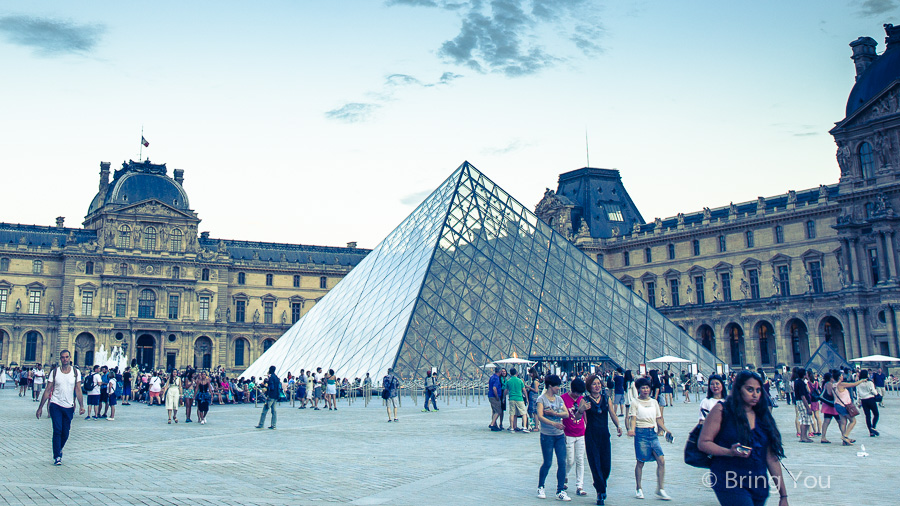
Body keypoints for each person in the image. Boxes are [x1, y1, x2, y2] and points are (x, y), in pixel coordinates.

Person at [698, 370, 789, 506]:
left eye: (758, 390)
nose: (755, 394)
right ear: (739, 389)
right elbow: (703, 443)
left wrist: (783, 495)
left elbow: (772, 458)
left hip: (758, 482)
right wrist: (729, 452)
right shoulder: (721, 410)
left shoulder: (763, 416)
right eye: (750, 389)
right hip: (728, 478)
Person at [36, 350, 85, 466]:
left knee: (65, 432)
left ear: (70, 358)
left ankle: (59, 448)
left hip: (69, 406)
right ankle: (57, 456)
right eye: (63, 357)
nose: (65, 359)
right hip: (55, 404)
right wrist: (40, 407)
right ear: (60, 359)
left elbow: (78, 389)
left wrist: (82, 405)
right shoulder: (54, 372)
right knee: (57, 430)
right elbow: (48, 390)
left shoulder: (76, 372)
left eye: (67, 357)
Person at [626, 377, 671, 501]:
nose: (645, 390)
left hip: (653, 433)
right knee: (640, 462)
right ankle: (638, 488)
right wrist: (632, 429)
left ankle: (660, 489)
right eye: (643, 388)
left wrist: (666, 429)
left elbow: (658, 419)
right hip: (641, 433)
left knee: (661, 460)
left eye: (647, 387)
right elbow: (633, 418)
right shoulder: (635, 402)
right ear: (639, 389)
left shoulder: (654, 402)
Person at [582, 374, 621, 505]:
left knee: (606, 466)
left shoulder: (606, 398)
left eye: (599, 383)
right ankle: (600, 492)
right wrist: (581, 409)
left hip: (604, 435)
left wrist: (618, 426)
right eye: (594, 384)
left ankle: (600, 485)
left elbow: (612, 414)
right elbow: (577, 416)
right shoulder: (585, 400)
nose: (597, 386)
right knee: (595, 465)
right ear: (589, 386)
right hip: (591, 435)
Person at [536, 374, 571, 501]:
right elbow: (540, 416)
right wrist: (554, 423)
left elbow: (566, 414)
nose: (558, 388)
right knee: (548, 462)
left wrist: (554, 414)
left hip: (559, 436)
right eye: (557, 386)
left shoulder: (559, 399)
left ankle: (560, 490)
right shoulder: (541, 399)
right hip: (547, 435)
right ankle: (541, 486)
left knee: (562, 462)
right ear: (550, 386)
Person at [561, 377, 588, 497]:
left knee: (580, 459)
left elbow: (585, 416)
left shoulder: (582, 399)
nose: (578, 395)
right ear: (572, 390)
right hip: (568, 433)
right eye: (576, 393)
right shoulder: (563, 399)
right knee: (570, 460)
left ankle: (579, 485)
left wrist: (588, 428)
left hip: (581, 432)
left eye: (580, 393)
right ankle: (565, 476)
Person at [832, 369, 864, 445]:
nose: (843, 376)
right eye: (841, 375)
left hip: (837, 405)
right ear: (839, 377)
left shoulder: (834, 385)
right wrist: (862, 380)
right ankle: (845, 436)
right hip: (844, 406)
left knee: (843, 422)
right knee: (853, 421)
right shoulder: (841, 384)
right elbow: (854, 384)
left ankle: (844, 440)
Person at [856, 370, 880, 437]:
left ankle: (870, 431)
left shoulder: (858, 383)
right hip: (870, 399)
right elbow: (873, 391)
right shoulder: (870, 382)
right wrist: (877, 394)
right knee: (876, 414)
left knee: (867, 416)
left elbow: (858, 393)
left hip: (863, 400)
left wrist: (858, 402)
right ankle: (873, 427)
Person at [793, 368, 814, 443]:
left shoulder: (797, 382)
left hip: (799, 401)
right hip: (802, 402)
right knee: (805, 420)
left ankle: (804, 436)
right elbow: (803, 396)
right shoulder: (801, 383)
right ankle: (803, 437)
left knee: (806, 420)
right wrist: (808, 408)